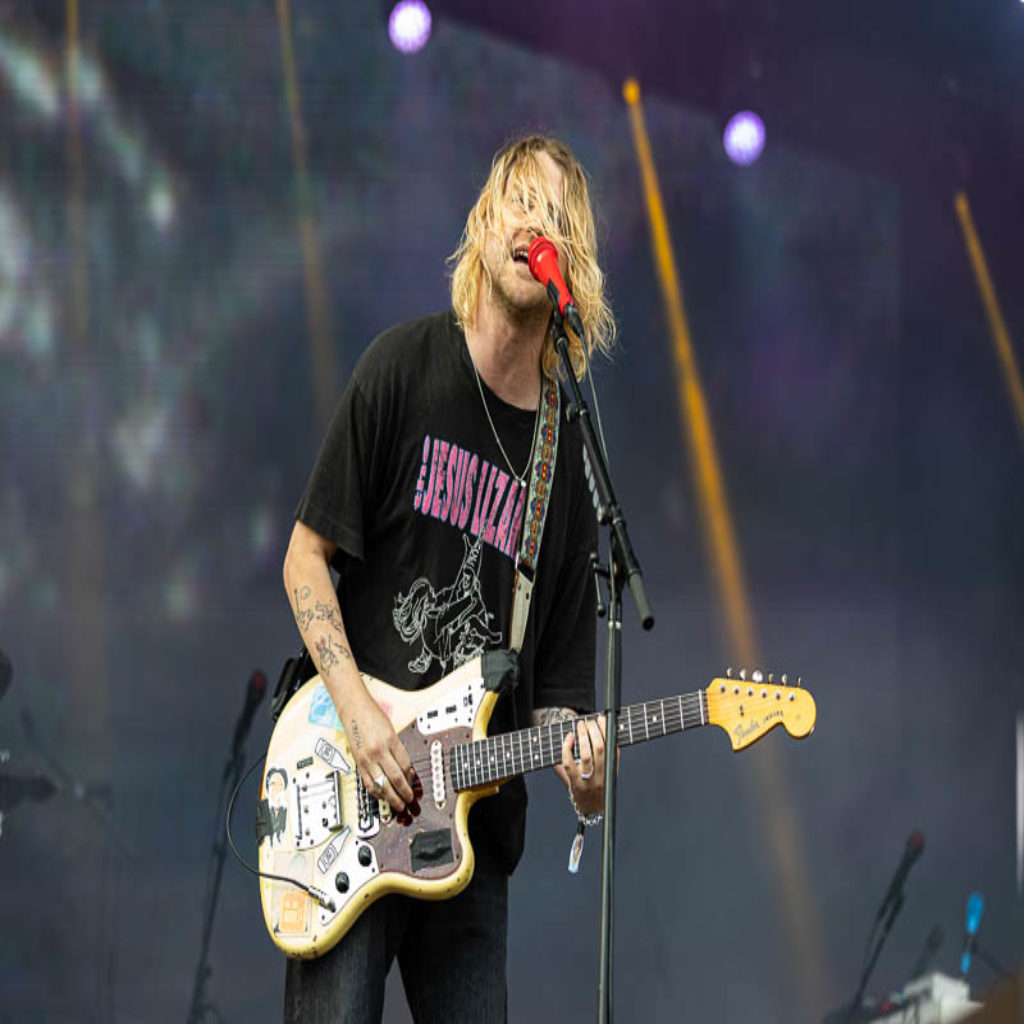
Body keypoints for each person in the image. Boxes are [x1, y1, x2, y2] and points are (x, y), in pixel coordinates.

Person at [281, 134, 617, 1023]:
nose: (533, 225)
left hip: (468, 833)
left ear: (572, 261)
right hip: (353, 796)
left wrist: (584, 773)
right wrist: (361, 718)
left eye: (554, 214)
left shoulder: (565, 453)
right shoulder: (402, 368)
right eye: (520, 202)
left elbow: (557, 697)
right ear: (485, 224)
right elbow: (305, 558)